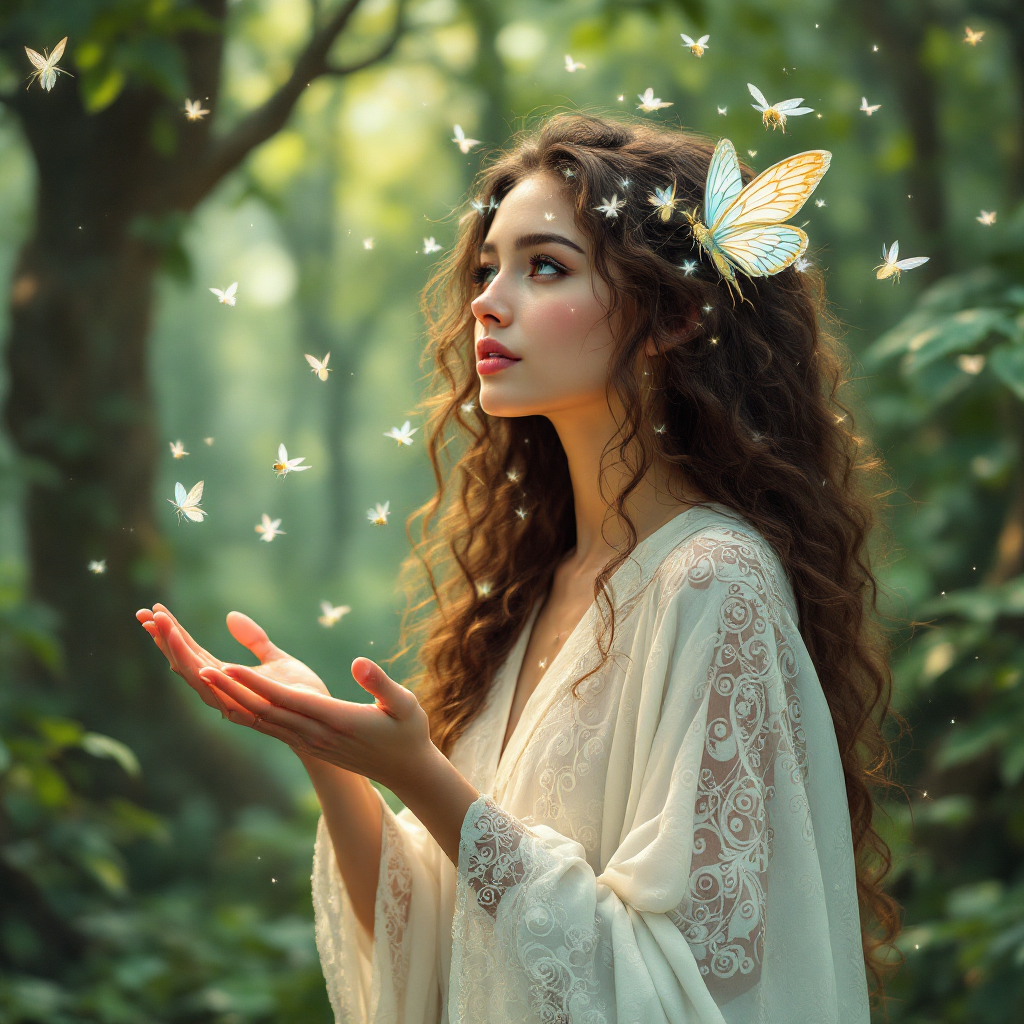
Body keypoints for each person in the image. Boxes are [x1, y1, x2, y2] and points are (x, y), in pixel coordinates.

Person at [137, 114, 901, 1024]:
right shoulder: (541, 583)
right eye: (486, 268)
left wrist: (423, 773)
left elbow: (694, 990)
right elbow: (447, 937)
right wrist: (333, 755)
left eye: (544, 266)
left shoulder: (711, 580)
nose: (487, 302)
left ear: (676, 314)